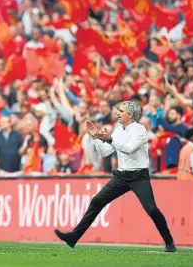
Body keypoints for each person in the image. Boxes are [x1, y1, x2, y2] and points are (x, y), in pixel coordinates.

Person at [54, 101, 176, 252]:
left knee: (151, 209)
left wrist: (109, 139)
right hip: (122, 176)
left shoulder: (140, 130)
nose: (117, 113)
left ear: (130, 115)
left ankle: (169, 242)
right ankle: (73, 237)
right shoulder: (118, 131)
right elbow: (105, 152)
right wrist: (96, 138)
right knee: (97, 201)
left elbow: (129, 149)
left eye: (121, 110)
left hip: (139, 176)